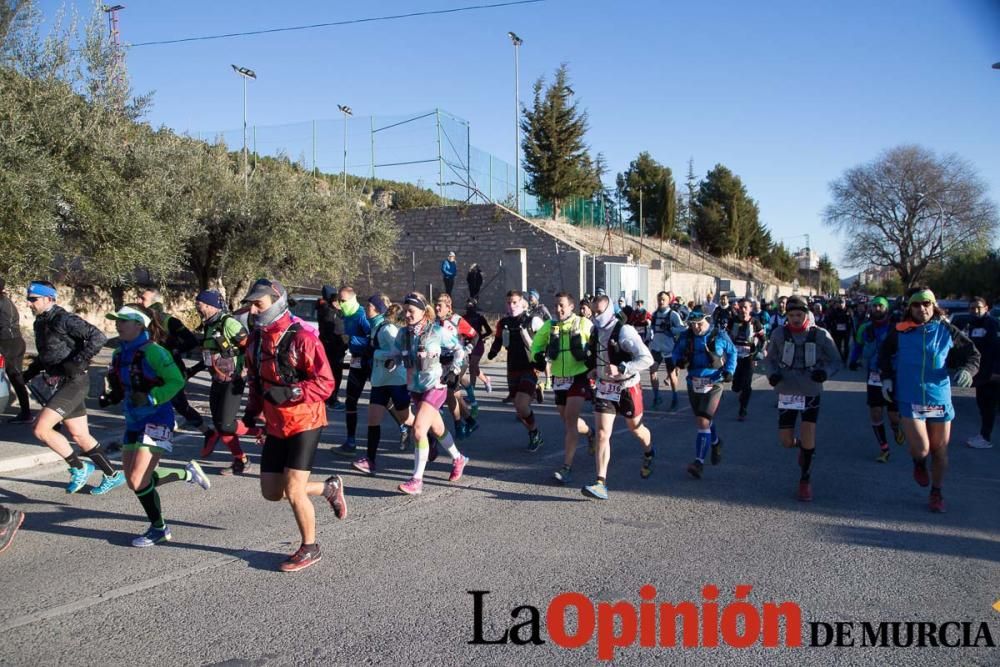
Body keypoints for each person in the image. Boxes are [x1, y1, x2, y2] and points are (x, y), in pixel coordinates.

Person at [241, 278, 344, 572]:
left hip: (306, 420)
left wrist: (293, 392)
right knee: (272, 491)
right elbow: (256, 382)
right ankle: (328, 488)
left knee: (294, 489)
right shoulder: (256, 340)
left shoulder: (303, 337)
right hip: (276, 423)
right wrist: (253, 414)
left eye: (258, 303)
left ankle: (310, 547)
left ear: (277, 301)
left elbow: (326, 383)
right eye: (251, 303)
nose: (253, 309)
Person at [101, 305, 211, 547]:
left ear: (139, 325)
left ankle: (159, 528)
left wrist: (153, 397)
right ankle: (186, 474)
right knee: (133, 481)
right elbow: (121, 384)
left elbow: (176, 380)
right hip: (133, 419)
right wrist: (112, 397)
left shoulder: (155, 352)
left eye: (123, 321)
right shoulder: (118, 353)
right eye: (116, 320)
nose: (118, 324)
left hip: (157, 419)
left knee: (140, 480)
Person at [879, 288, 979, 512]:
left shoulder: (946, 330)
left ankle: (937, 492)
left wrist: (968, 371)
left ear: (933, 306)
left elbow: (973, 354)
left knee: (940, 450)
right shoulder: (900, 331)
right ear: (910, 308)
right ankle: (919, 463)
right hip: (910, 397)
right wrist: (886, 378)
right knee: (922, 449)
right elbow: (884, 354)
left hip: (938, 398)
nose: (922, 308)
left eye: (927, 304)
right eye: (917, 305)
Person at [22, 281, 125, 495]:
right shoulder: (40, 322)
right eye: (28, 299)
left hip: (74, 382)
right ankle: (112, 475)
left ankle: (79, 467)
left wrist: (80, 360)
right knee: (79, 435)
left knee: (40, 429)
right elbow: (49, 354)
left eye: (34, 299)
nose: (29, 303)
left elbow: (98, 336)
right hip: (61, 382)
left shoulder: (63, 318)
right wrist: (30, 372)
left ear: (49, 299)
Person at [764, 295, 841, 501]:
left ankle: (805, 480)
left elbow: (835, 361)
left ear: (806, 314)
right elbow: (769, 359)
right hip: (787, 390)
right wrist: (772, 375)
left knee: (809, 432)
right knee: (786, 441)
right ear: (786, 315)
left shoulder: (820, 335)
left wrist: (824, 373)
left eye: (799, 314)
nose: (795, 319)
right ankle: (803, 448)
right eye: (791, 315)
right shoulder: (779, 334)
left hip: (810, 390)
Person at [392, 292, 470, 495]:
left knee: (418, 430)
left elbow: (459, 350)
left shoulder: (436, 331)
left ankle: (416, 480)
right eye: (405, 310)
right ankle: (458, 458)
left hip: (436, 386)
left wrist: (454, 370)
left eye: (411, 311)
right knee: (437, 429)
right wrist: (392, 362)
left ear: (422, 311)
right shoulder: (403, 334)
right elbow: (396, 353)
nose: (407, 315)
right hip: (416, 389)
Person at [582, 295, 654, 500]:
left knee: (636, 429)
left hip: (627, 386)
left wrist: (624, 367)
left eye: (600, 312)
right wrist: (595, 371)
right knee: (603, 434)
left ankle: (649, 452)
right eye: (593, 312)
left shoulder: (624, 330)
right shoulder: (595, 330)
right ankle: (600, 482)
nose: (596, 316)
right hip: (605, 387)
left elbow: (647, 358)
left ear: (610, 310)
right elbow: (600, 356)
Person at [530, 292, 596, 485]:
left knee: (570, 421)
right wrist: (537, 358)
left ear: (571, 307)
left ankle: (566, 468)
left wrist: (596, 367)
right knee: (568, 420)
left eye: (562, 306)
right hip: (559, 378)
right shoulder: (550, 326)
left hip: (579, 376)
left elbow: (599, 343)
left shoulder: (583, 324)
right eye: (556, 306)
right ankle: (590, 433)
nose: (558, 309)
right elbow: (536, 346)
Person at [192, 290, 259, 475]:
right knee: (220, 424)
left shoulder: (228, 323)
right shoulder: (208, 325)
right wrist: (191, 371)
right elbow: (208, 356)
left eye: (199, 303)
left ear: (209, 305)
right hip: (217, 379)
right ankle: (241, 460)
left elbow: (249, 346)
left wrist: (249, 372)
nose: (197, 307)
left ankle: (261, 433)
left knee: (225, 424)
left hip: (234, 379)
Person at [673, 308, 737, 480]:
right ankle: (716, 442)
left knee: (702, 420)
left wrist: (730, 370)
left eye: (699, 324)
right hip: (693, 382)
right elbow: (676, 352)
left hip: (714, 382)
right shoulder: (686, 336)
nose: (696, 328)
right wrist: (677, 360)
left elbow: (732, 352)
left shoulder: (719, 335)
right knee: (704, 421)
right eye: (692, 325)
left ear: (707, 320)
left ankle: (698, 463)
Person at [353, 298, 414, 475]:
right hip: (380, 382)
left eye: (369, 306)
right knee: (373, 420)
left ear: (379, 309)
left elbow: (402, 350)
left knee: (407, 419)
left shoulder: (387, 328)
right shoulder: (375, 327)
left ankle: (430, 436)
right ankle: (370, 461)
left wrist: (377, 353)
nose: (366, 308)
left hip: (396, 381)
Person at [139, 288, 211, 437]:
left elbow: (191, 341)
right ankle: (150, 436)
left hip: (171, 370)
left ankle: (208, 433)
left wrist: (173, 351)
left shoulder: (169, 321)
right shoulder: (139, 321)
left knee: (179, 405)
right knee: (153, 403)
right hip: (150, 370)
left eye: (143, 299)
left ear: (155, 303)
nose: (139, 301)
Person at [848, 296, 903, 462]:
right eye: (874, 306)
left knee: (893, 415)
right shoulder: (865, 328)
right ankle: (884, 448)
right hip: (873, 375)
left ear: (887, 308)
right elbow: (857, 346)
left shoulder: (897, 328)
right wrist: (852, 361)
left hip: (892, 374)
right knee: (876, 412)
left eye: (880, 306)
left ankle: (896, 428)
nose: (877, 309)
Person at [489, 290, 544, 451]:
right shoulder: (504, 322)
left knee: (521, 404)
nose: (511, 305)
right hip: (512, 367)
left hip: (530, 367)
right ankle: (535, 433)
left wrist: (544, 356)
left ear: (522, 303)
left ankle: (534, 433)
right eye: (508, 302)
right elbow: (498, 340)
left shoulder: (532, 320)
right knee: (520, 411)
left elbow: (546, 337)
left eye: (514, 302)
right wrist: (493, 352)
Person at [434, 294, 480, 439]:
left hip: (459, 361)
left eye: (439, 306)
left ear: (448, 307)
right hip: (442, 361)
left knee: (449, 394)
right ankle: (470, 421)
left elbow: (475, 335)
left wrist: (468, 348)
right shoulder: (435, 321)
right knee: (455, 395)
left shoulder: (457, 320)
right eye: (436, 305)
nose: (436, 308)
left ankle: (458, 425)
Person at [333, 286, 372, 456]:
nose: (341, 304)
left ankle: (404, 427)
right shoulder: (346, 315)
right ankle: (350, 441)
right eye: (339, 301)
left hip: (369, 361)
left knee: (385, 399)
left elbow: (374, 339)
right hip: (356, 361)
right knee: (350, 400)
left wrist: (352, 339)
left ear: (352, 299)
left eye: (343, 301)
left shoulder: (362, 315)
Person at [958, 298, 999, 449]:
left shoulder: (992, 324)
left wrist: (996, 371)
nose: (975, 311)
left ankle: (985, 438)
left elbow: (997, 349)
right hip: (980, 374)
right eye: (972, 308)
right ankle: (983, 434)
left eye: (978, 308)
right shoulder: (970, 325)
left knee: (989, 407)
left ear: (986, 308)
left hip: (991, 374)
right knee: (983, 406)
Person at [728, 297, 766, 420]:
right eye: (741, 307)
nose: (743, 310)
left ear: (750, 309)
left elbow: (763, 339)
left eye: (746, 307)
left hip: (749, 357)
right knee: (735, 387)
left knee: (747, 384)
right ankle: (740, 392)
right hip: (735, 357)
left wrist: (759, 351)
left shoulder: (755, 322)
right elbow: (726, 338)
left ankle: (742, 410)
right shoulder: (732, 321)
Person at [0, 278, 31, 423]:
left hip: (7, 343)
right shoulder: (6, 301)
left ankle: (26, 413)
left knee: (14, 377)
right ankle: (26, 413)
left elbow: (4, 327)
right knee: (16, 378)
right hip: (16, 342)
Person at [648, 291, 685, 410]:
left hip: (669, 348)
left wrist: (671, 329)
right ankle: (657, 397)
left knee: (672, 374)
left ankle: (675, 397)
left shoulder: (673, 314)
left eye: (663, 299)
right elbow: (651, 330)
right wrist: (647, 340)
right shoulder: (654, 315)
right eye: (659, 299)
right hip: (656, 348)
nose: (661, 302)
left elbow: (682, 328)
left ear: (669, 301)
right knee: (653, 372)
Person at [317, 285, 347, 410]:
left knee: (330, 373)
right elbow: (337, 329)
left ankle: (329, 398)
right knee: (334, 374)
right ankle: (331, 399)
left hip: (332, 347)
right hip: (333, 348)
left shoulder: (325, 309)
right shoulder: (329, 312)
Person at [462, 298, 493, 414]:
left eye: (471, 305)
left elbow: (489, 331)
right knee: (475, 368)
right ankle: (486, 380)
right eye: (467, 305)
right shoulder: (463, 318)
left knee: (472, 366)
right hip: (467, 345)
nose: (469, 307)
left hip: (478, 344)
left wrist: (480, 336)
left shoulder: (480, 318)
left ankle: (472, 394)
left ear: (475, 306)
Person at [527, 289, 553, 392]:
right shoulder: (529, 309)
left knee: (545, 360)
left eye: (531, 298)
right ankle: (535, 382)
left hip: (543, 337)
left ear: (536, 298)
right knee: (534, 360)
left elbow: (550, 320)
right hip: (533, 338)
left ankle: (548, 381)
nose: (530, 300)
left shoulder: (542, 308)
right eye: (529, 298)